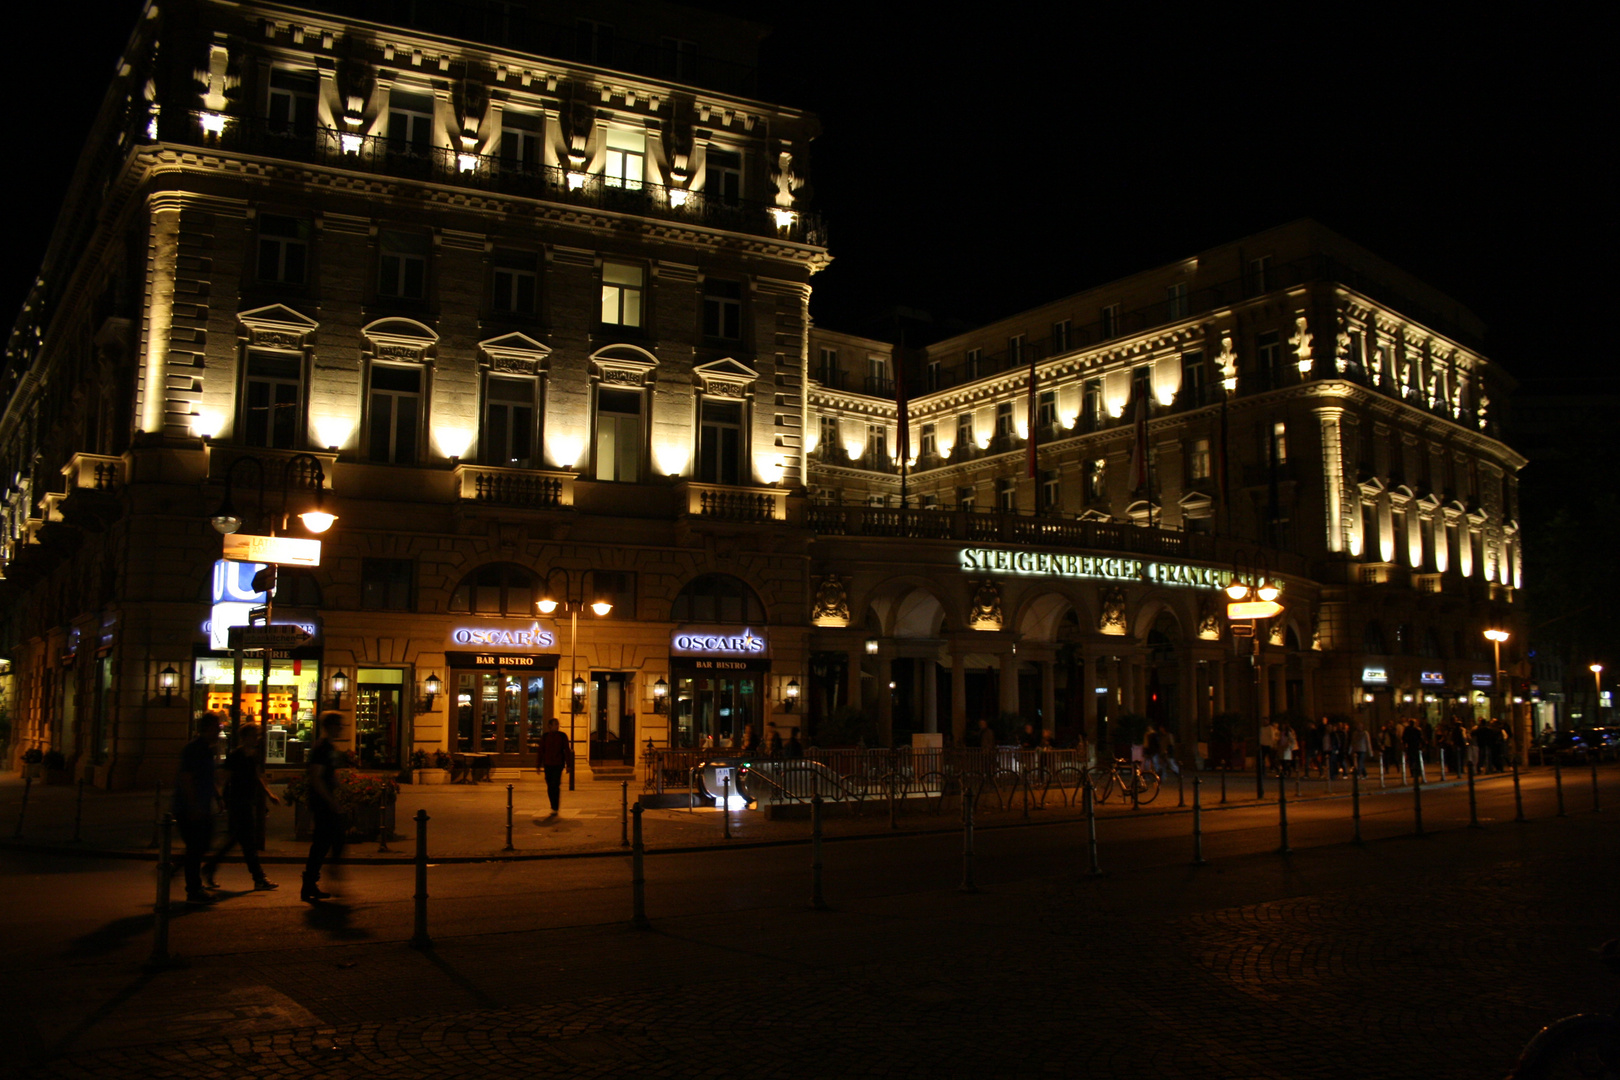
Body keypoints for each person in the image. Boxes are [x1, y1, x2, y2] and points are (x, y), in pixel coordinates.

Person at [203, 722, 281, 891]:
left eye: (257, 735)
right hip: (238, 802)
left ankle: (210, 868)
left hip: (247, 800)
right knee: (248, 842)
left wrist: (269, 794)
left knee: (238, 840)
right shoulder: (236, 755)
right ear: (245, 737)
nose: (257, 739)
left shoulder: (252, 755)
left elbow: (257, 776)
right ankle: (259, 877)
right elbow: (225, 777)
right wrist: (220, 798)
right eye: (254, 735)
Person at [174, 713, 223, 905]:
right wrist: (193, 805)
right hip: (189, 807)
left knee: (201, 845)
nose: (218, 731)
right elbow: (186, 778)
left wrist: (217, 797)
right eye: (216, 728)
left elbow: (208, 778)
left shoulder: (207, 749)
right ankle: (193, 889)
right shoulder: (195, 749)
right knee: (196, 847)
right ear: (207, 728)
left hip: (201, 805)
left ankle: (179, 872)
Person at [302, 711, 346, 903]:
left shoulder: (328, 747)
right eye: (338, 725)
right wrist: (331, 801)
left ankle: (313, 881)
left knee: (328, 842)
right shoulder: (322, 747)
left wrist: (338, 786)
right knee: (323, 843)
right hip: (321, 803)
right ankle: (313, 881)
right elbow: (316, 776)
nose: (341, 728)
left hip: (324, 801)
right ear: (330, 726)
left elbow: (327, 775)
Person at [536, 717, 572, 814]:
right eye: (555, 724)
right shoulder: (545, 736)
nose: (557, 726)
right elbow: (541, 751)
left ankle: (555, 806)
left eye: (557, 724)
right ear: (550, 726)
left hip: (558, 764)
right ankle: (553, 804)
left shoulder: (562, 736)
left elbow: (567, 750)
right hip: (548, 764)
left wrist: (568, 764)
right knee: (549, 785)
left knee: (555, 784)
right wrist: (538, 765)